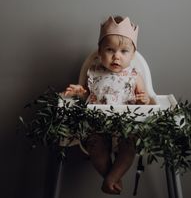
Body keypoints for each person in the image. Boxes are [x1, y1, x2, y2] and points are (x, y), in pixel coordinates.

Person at [64, 15, 156, 194]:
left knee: (129, 148)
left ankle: (112, 177)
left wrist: (143, 100)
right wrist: (79, 91)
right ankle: (111, 177)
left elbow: (145, 99)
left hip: (125, 126)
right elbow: (87, 93)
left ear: (133, 54)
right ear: (99, 51)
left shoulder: (134, 75)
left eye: (124, 51)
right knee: (95, 148)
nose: (116, 56)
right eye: (110, 50)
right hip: (97, 125)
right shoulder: (94, 71)